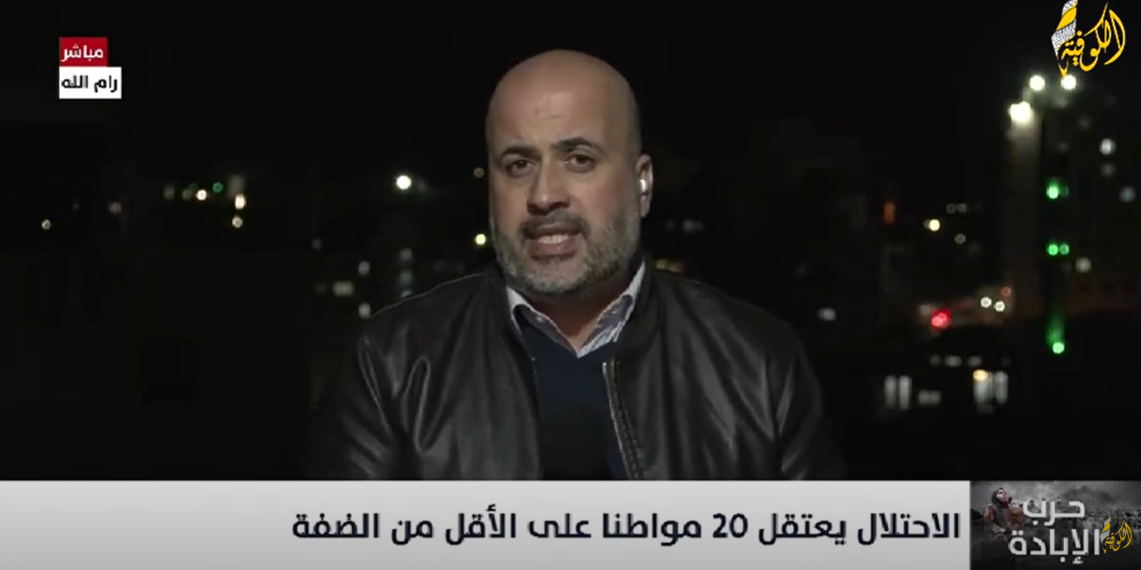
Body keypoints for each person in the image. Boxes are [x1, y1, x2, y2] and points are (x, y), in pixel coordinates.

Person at [305, 50, 845, 480]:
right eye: (519, 164)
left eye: (579, 159)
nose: (544, 195)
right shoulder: (393, 363)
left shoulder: (757, 363)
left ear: (642, 184)